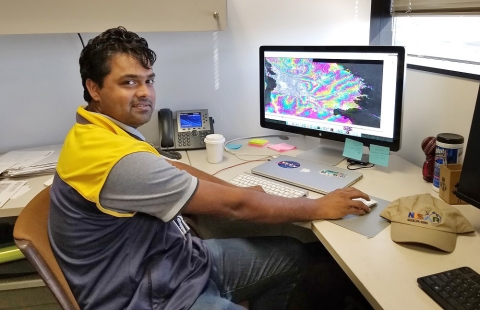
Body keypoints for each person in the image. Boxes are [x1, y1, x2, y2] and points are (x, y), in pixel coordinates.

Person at [48, 26, 372, 310]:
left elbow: (178, 171)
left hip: (175, 263)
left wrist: (239, 189)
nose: (145, 92)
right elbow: (237, 208)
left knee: (292, 255)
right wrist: (317, 206)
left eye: (148, 80)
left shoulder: (97, 133)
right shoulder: (118, 160)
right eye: (129, 82)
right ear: (94, 88)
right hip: (151, 297)